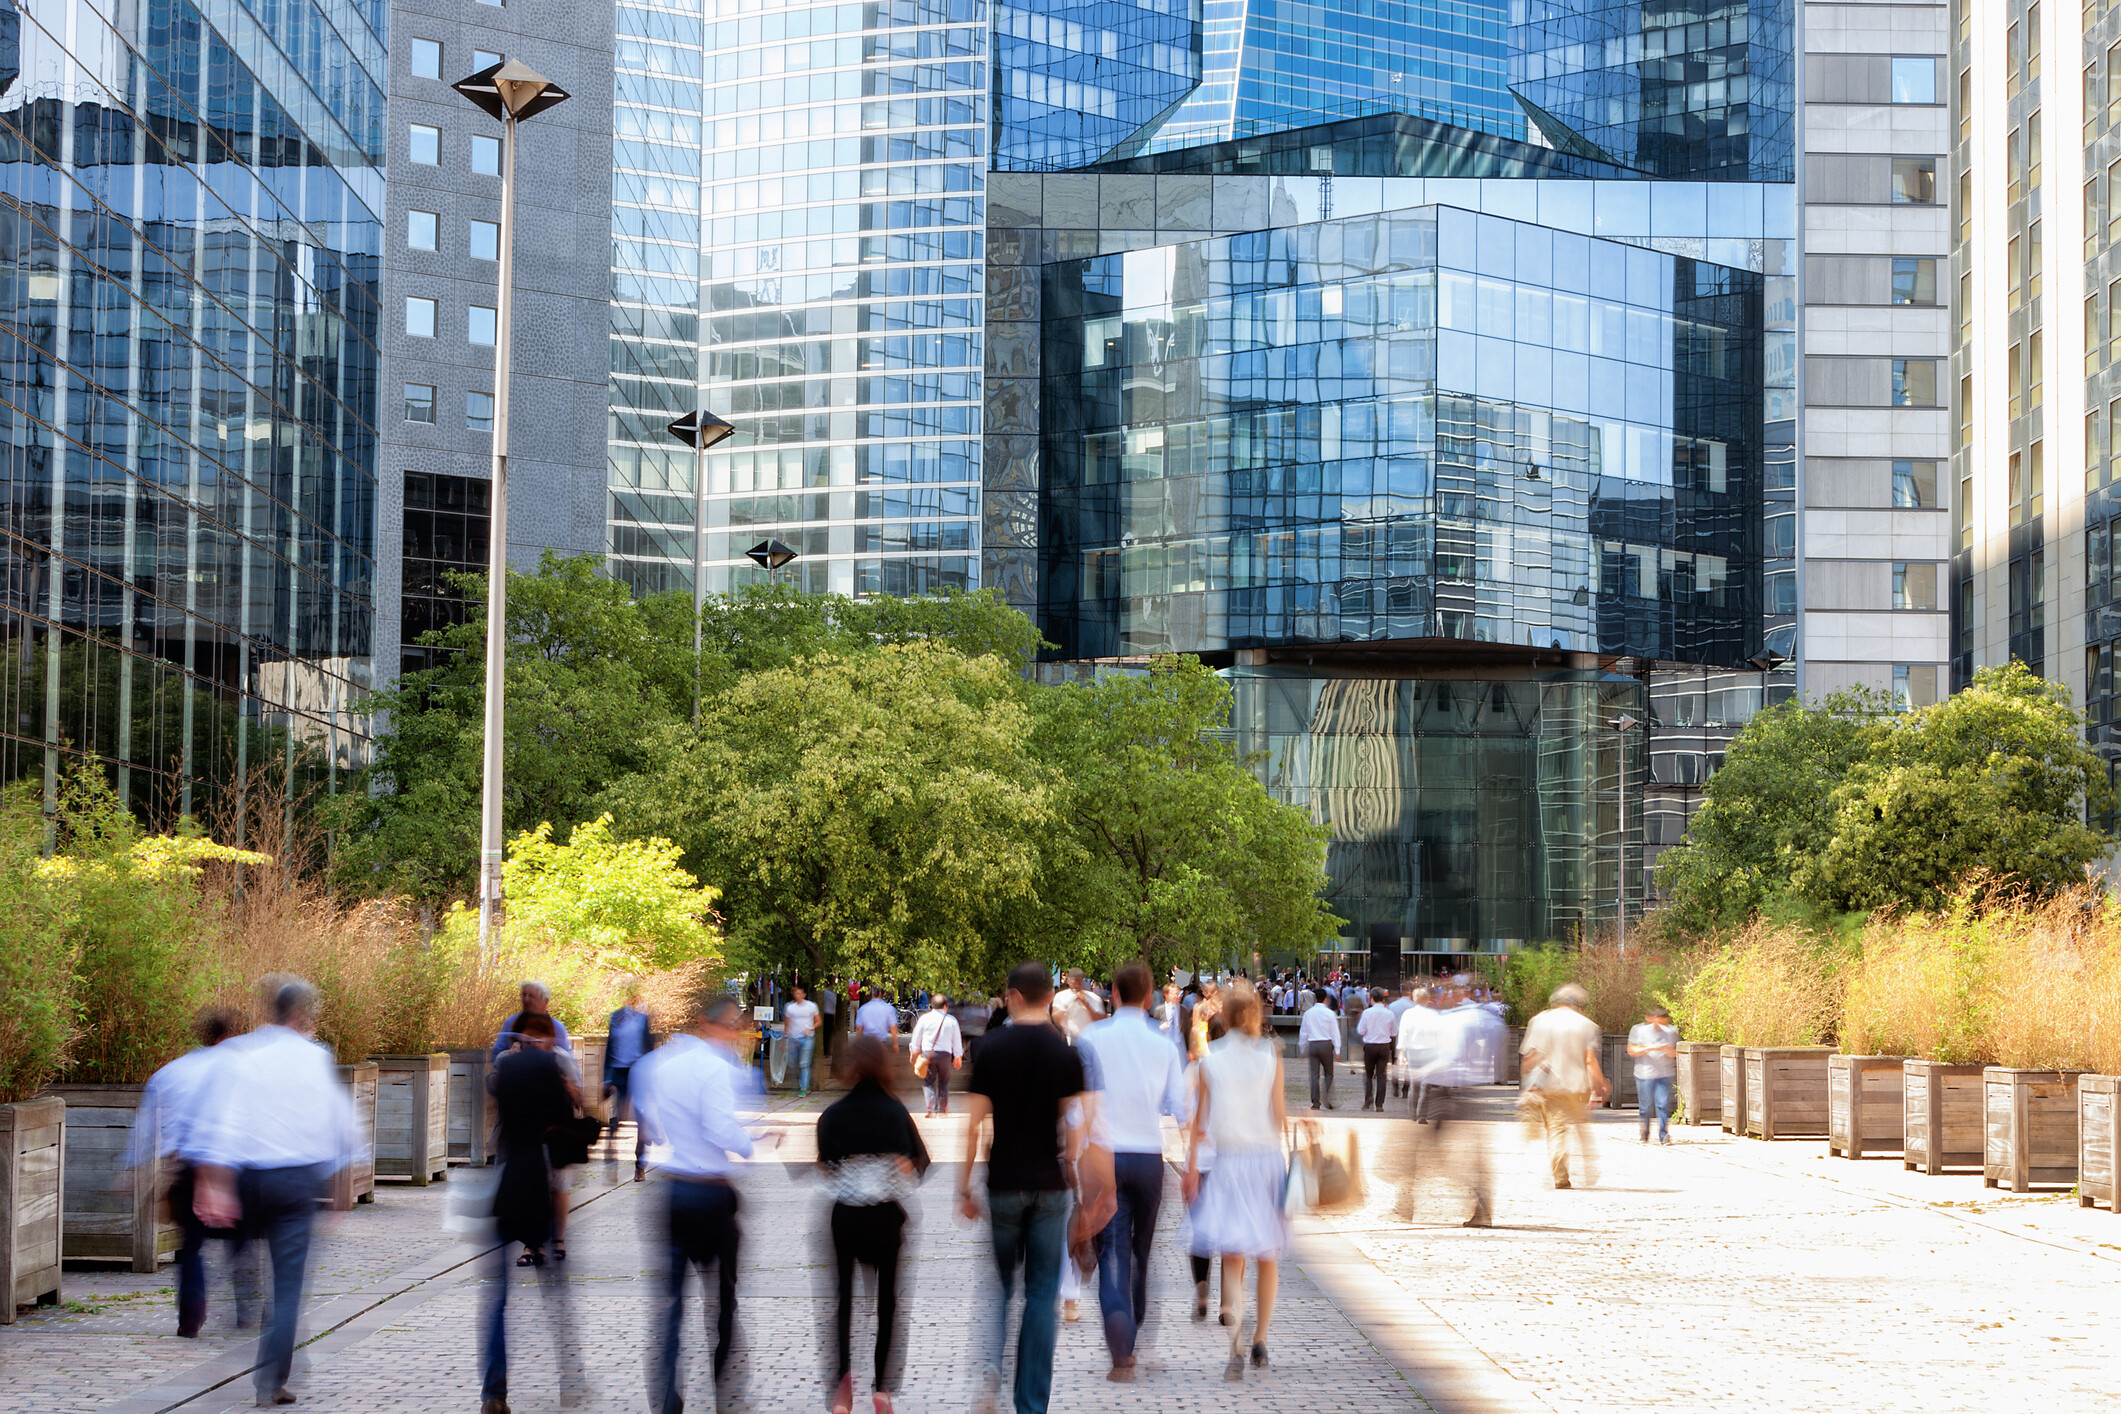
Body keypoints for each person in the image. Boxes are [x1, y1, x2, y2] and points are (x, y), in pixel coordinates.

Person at [191, 979, 357, 1409]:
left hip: (250, 1180)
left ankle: (244, 1306)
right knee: (288, 1287)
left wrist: (217, 1186)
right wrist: (342, 1191)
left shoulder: (245, 1054)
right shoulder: (315, 1060)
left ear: (271, 1010)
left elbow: (220, 1126)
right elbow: (344, 1127)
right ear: (302, 1014)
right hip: (296, 1183)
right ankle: (270, 1383)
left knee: (248, 1254)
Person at [635, 991, 780, 1414]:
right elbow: (720, 1129)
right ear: (710, 1024)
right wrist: (749, 1145)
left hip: (674, 1190)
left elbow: (647, 1114)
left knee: (670, 1305)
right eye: (732, 1026)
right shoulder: (717, 1069)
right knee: (723, 1301)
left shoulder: (659, 1063)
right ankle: (725, 1394)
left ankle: (666, 1400)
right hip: (712, 1194)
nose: (737, 1034)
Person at [958, 961, 1085, 1414]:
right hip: (1050, 1185)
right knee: (1042, 1292)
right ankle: (1031, 1402)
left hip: (1004, 1182)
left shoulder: (990, 1049)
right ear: (1049, 996)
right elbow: (1075, 1123)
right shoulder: (1065, 1054)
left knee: (999, 1285)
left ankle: (991, 1368)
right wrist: (1071, 1165)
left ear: (1012, 996)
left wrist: (962, 1188)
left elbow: (973, 1126)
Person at [1076, 961, 1188, 1382]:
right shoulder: (1163, 1045)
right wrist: (1192, 1163)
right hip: (1148, 1158)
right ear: (1149, 997)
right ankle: (1133, 1331)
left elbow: (1077, 1104)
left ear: (1114, 994)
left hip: (1104, 1155)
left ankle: (1121, 1349)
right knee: (1141, 1251)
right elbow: (1180, 1107)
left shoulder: (1091, 1038)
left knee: (1112, 1252)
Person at [817, 1036, 928, 1414]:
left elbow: (825, 1166)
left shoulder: (833, 1114)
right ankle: (881, 1387)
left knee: (842, 1301)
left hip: (845, 1217)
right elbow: (919, 1163)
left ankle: (842, 1383)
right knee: (888, 1304)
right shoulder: (895, 1113)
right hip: (885, 1217)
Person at [481, 1012, 586, 1414]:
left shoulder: (505, 1067)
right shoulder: (552, 1069)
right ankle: (570, 1381)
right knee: (557, 1296)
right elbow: (566, 1139)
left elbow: (495, 1095)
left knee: (496, 1300)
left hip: (507, 1187)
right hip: (539, 1190)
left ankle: (493, 1392)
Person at [1182, 981, 1286, 1381]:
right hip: (1264, 1160)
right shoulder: (1270, 1056)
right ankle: (1261, 1337)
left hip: (1227, 1162)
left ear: (1223, 1015)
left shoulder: (1210, 1061)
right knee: (1268, 1254)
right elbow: (1277, 1115)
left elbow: (1199, 1122)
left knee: (1235, 1253)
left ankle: (1237, 1341)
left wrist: (1191, 1168)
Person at [129, 1005, 245, 1338]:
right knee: (242, 1239)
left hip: (188, 1168)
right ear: (230, 1035)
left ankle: (191, 1314)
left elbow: (147, 1124)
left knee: (190, 1245)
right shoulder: (241, 1069)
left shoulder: (171, 1071)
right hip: (235, 1166)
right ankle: (246, 1308)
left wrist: (133, 1167)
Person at [1410, 977, 1507, 1227]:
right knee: (1458, 1154)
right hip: (1468, 1091)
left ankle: (1407, 1203)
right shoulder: (1484, 1018)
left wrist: (1420, 1073)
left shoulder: (1459, 1021)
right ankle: (1480, 1206)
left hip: (1450, 1093)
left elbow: (1451, 1058)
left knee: (1437, 1154)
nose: (1441, 998)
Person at [1519, 984, 1608, 1189]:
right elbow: (1589, 1060)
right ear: (1576, 1004)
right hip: (1578, 1087)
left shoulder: (1540, 1021)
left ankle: (1560, 1176)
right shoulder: (1587, 1025)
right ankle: (1590, 1169)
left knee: (1557, 1131)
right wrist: (1599, 1086)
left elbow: (1531, 1057)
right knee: (1582, 1128)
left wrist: (1528, 1084)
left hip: (1551, 1087)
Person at [604, 986, 653, 1182]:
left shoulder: (643, 1019)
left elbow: (648, 1049)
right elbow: (609, 1048)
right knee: (618, 1118)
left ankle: (639, 1165)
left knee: (641, 1120)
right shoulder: (615, 1018)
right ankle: (611, 1160)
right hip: (618, 1071)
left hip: (638, 1070)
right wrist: (606, 1078)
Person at [1628, 1004, 1680, 1145]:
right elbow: (1631, 1050)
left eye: (1663, 1018)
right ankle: (1644, 1134)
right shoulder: (1639, 1030)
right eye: (1657, 1018)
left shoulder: (1671, 1032)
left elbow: (1676, 1053)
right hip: (1644, 1074)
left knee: (1663, 1105)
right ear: (1650, 1018)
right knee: (1645, 1107)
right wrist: (1650, 1048)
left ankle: (1664, 1135)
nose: (1660, 1022)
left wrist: (1669, 1051)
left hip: (1664, 1074)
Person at [907, 993, 964, 1117]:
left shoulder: (924, 1019)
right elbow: (956, 1040)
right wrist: (958, 1056)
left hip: (929, 1054)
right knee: (944, 1082)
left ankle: (930, 1107)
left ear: (931, 1006)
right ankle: (942, 1108)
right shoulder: (951, 1020)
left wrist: (914, 1052)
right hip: (945, 1055)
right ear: (945, 1006)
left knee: (929, 1082)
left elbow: (916, 1037)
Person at [490, 981, 572, 1062]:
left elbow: (568, 1062)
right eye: (524, 995)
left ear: (545, 1001)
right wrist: (509, 1054)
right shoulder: (511, 1022)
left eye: (531, 996)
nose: (526, 999)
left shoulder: (557, 1027)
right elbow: (495, 1056)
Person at [1297, 987, 1341, 1111]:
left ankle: (1315, 1102)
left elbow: (1303, 1032)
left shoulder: (1308, 1013)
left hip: (1312, 1044)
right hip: (1326, 1044)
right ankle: (1325, 1094)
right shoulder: (1330, 1013)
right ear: (1326, 999)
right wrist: (1337, 1050)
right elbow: (1335, 1033)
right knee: (1329, 1073)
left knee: (1314, 1075)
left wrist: (1302, 1048)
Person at [1355, 986, 1398, 1110]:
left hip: (1370, 1045)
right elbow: (1394, 1032)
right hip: (1384, 1046)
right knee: (1381, 1075)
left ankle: (1368, 1098)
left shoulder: (1367, 1013)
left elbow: (1360, 1030)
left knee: (1368, 1075)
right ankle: (1379, 1104)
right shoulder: (1389, 1013)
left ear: (1372, 998)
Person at [784, 985, 821, 1100]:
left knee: (804, 1063)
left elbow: (818, 1021)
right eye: (795, 993)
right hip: (793, 1038)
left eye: (800, 993)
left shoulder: (811, 1006)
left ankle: (803, 1088)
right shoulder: (790, 1008)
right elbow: (787, 1023)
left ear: (804, 994)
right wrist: (786, 1034)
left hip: (807, 1038)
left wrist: (811, 1028)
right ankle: (799, 1084)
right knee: (793, 1063)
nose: (797, 995)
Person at [1050, 968, 1103, 1043]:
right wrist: (1069, 1004)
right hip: (1068, 1040)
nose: (1078, 983)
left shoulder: (1094, 998)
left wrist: (1086, 1004)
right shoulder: (1060, 996)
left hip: (1089, 1041)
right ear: (1068, 980)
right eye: (1075, 980)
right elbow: (1056, 1018)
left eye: (1080, 980)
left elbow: (1101, 1021)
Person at [818, 981, 839, 1060]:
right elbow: (835, 1004)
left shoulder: (821, 993)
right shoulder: (832, 995)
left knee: (822, 1033)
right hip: (830, 1015)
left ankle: (822, 1050)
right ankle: (827, 1051)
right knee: (828, 1034)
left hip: (822, 1014)